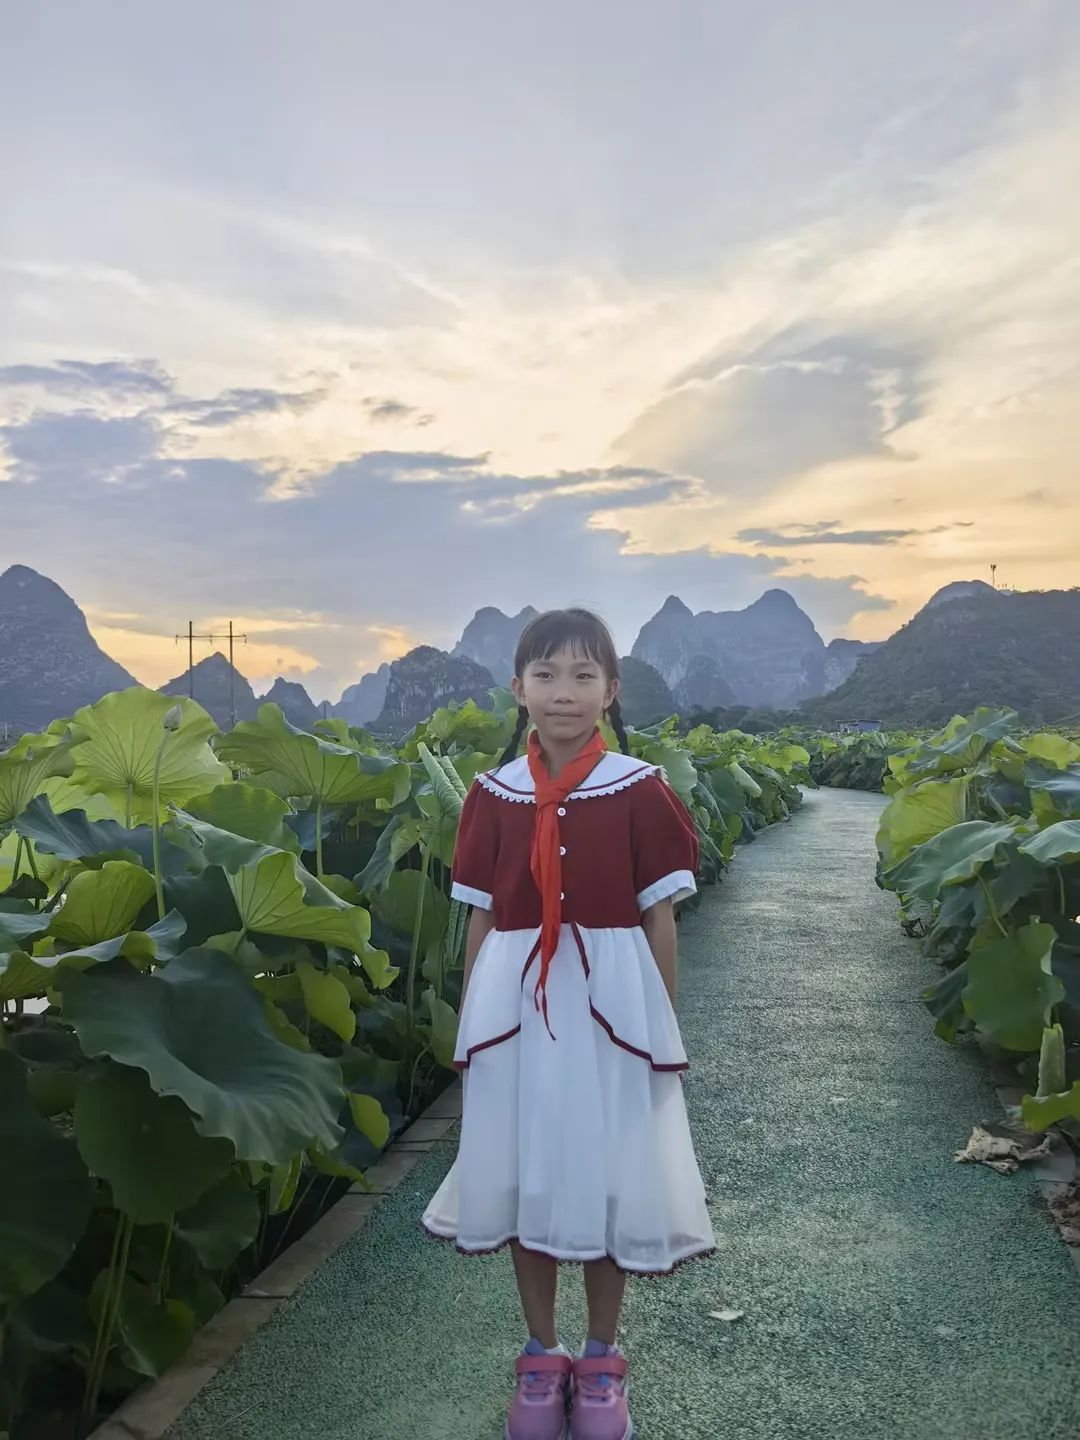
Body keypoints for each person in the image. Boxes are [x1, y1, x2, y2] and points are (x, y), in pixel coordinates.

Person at [421, 607, 715, 1440]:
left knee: (613, 1165)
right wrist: (474, 1022)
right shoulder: (492, 796)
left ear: (612, 690)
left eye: (585, 675)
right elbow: (481, 921)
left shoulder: (640, 786)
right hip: (518, 1006)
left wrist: (661, 1021)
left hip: (612, 1002)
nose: (565, 693)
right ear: (517, 689)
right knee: (529, 1167)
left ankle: (601, 1362)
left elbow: (660, 919)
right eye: (546, 675)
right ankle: (540, 1356)